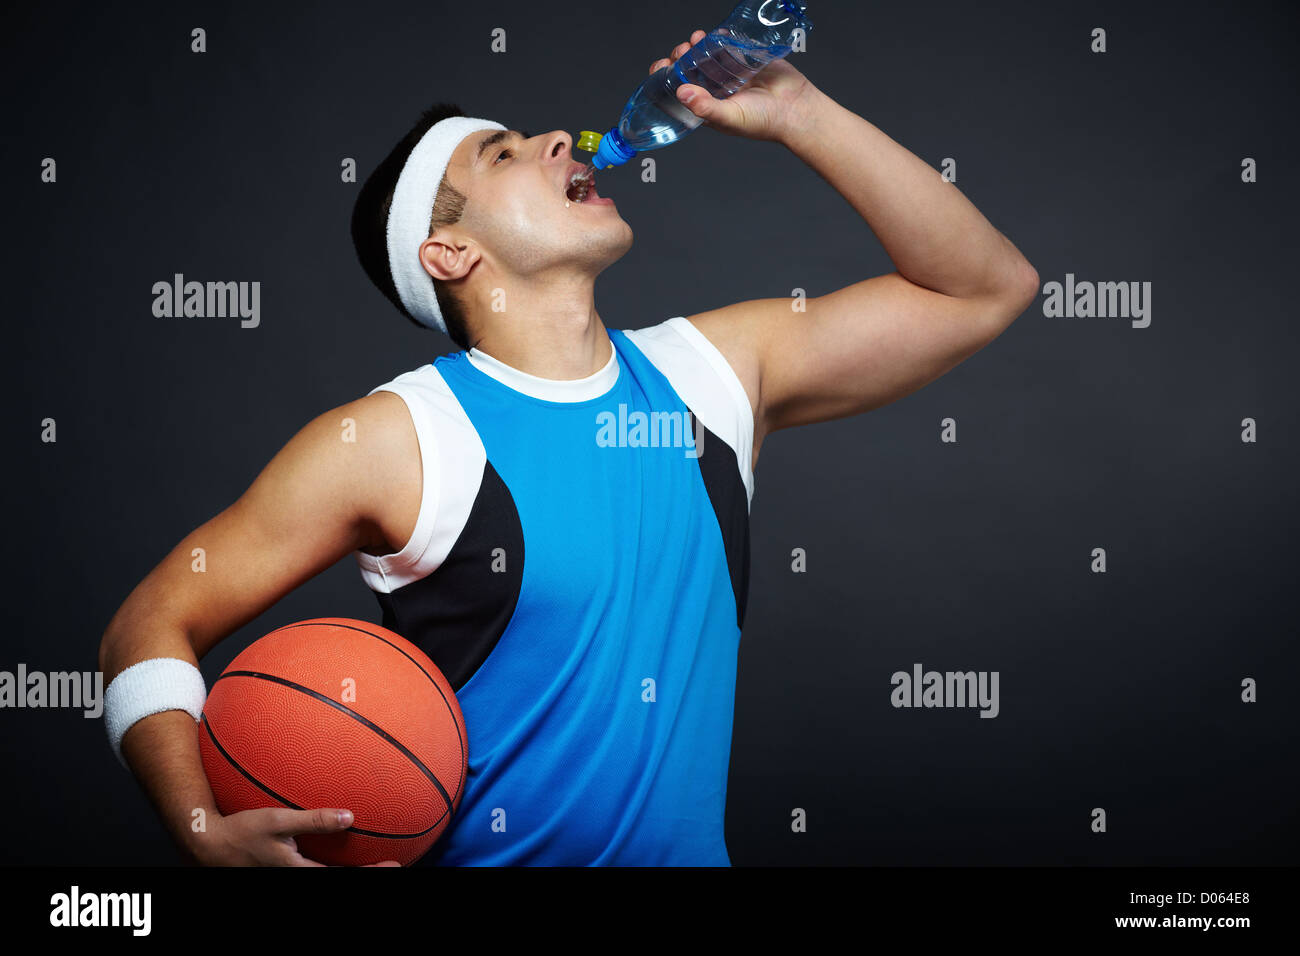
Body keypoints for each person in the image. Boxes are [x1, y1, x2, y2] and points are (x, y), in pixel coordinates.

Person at [98, 29, 1038, 866]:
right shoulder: (396, 437)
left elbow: (982, 288)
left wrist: (801, 112)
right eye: (503, 153)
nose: (560, 137)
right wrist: (199, 831)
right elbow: (147, 624)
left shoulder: (714, 373)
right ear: (449, 254)